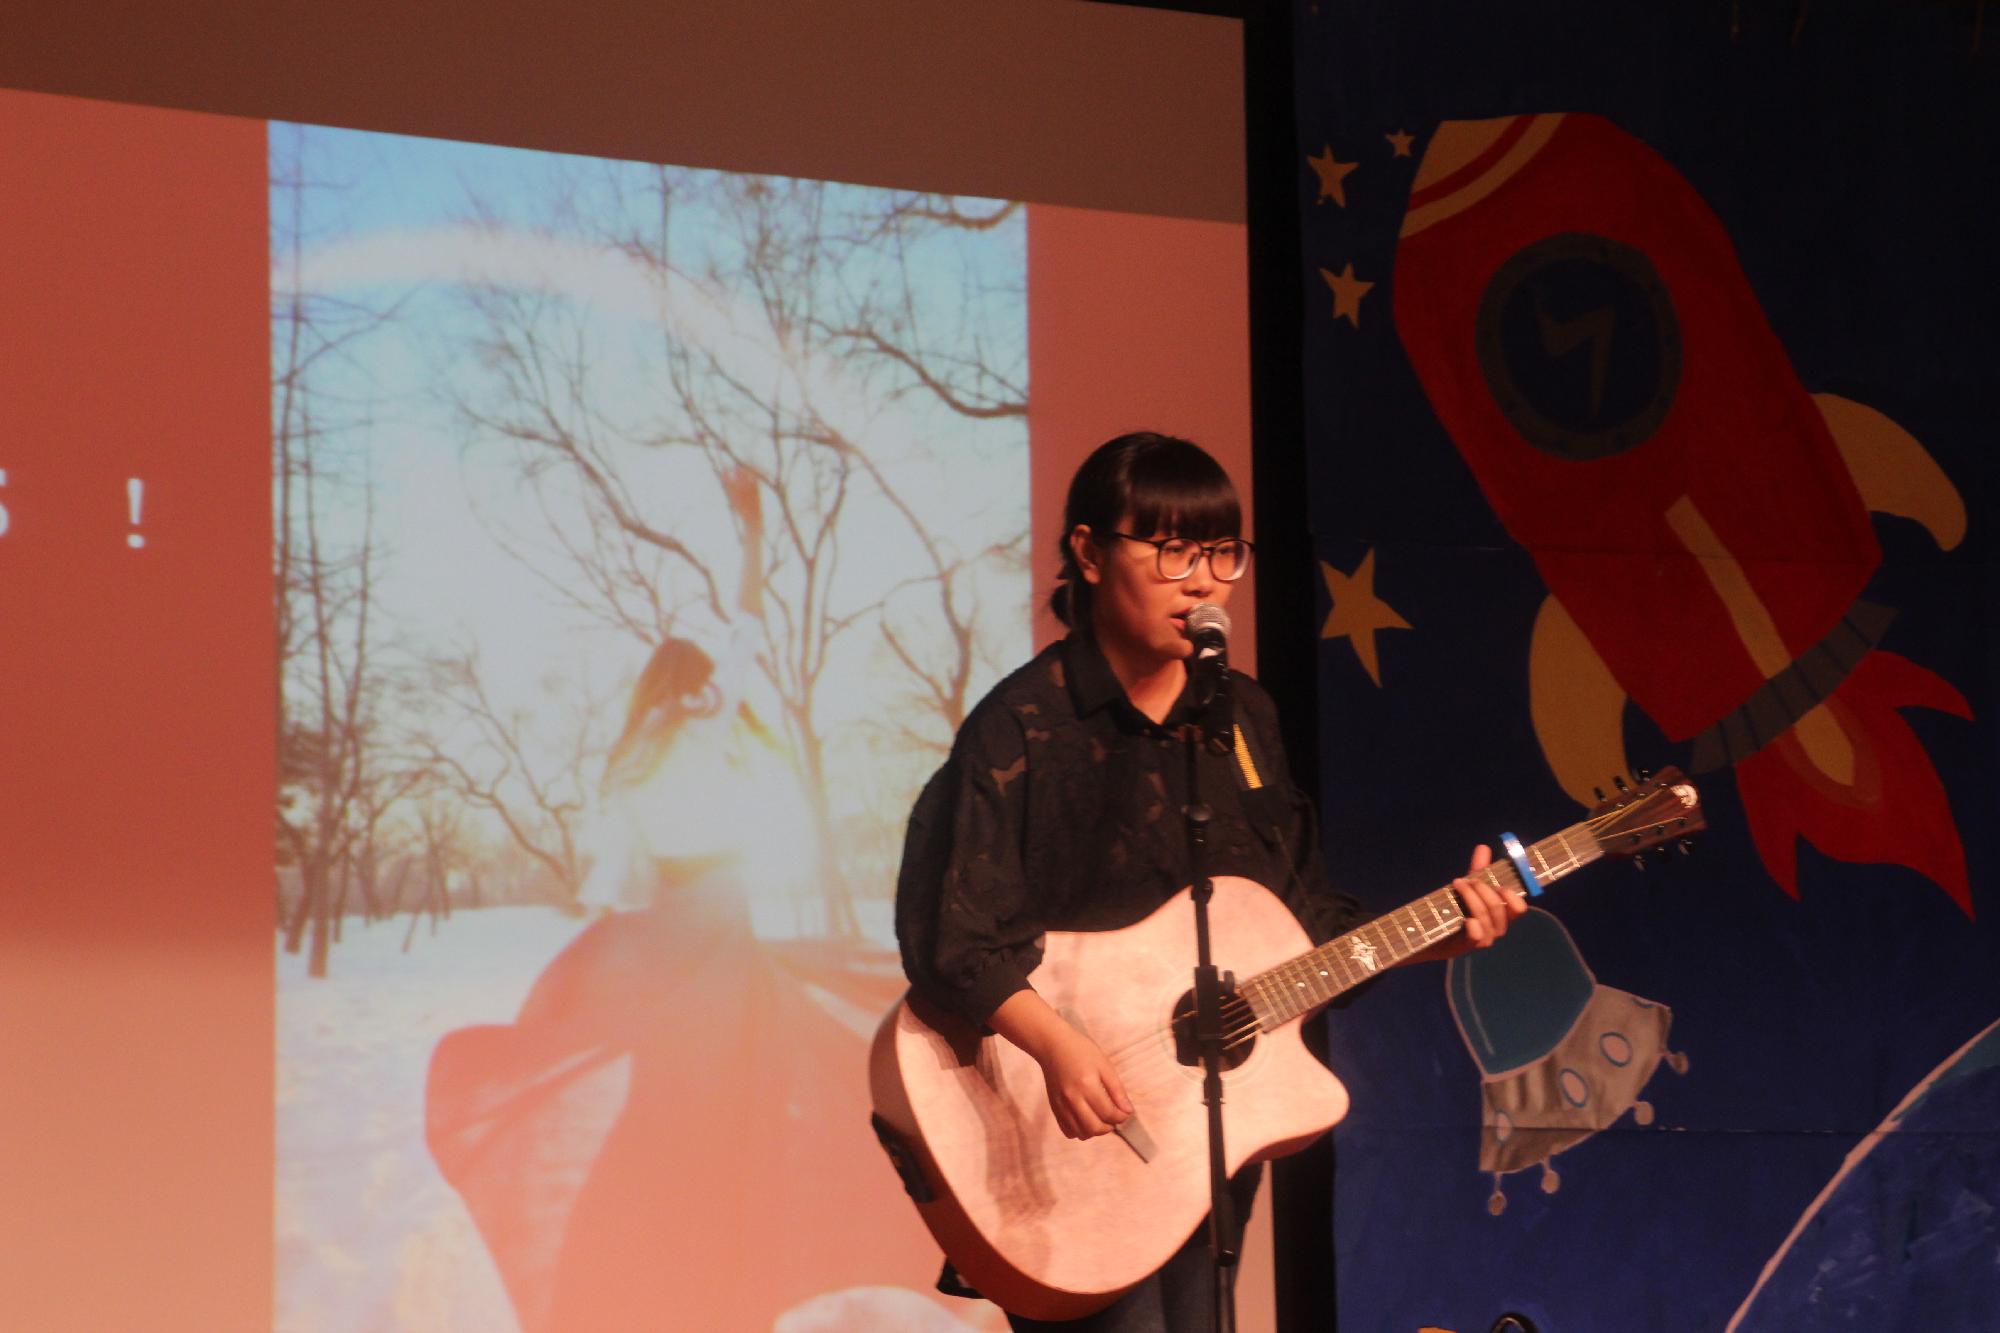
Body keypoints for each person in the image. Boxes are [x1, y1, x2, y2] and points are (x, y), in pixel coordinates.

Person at [894, 431, 1524, 1333]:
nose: (1202, 582)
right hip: (1062, 1124)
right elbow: (952, 933)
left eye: (1223, 553)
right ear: (1088, 552)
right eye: (1172, 550)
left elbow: (1300, 920)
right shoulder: (1022, 726)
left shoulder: (1242, 718)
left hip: (1198, 1126)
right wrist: (1057, 1045)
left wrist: (1442, 936)